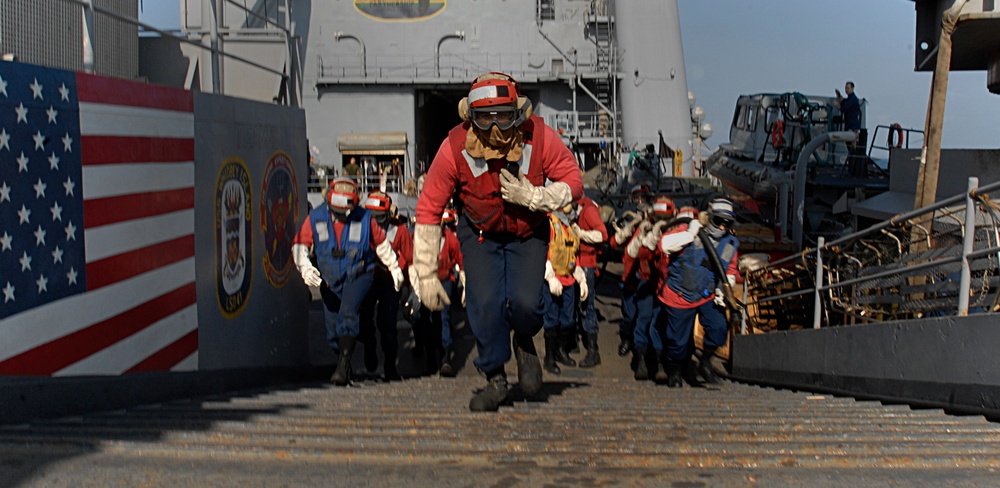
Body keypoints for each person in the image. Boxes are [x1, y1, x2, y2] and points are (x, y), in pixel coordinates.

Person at [413, 71, 583, 412]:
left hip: (527, 232)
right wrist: (426, 273)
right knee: (485, 304)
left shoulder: (541, 139)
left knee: (526, 304)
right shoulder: (454, 148)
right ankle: (495, 378)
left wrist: (535, 197)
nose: (493, 127)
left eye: (503, 116)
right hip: (479, 234)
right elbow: (430, 206)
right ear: (469, 117)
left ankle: (524, 339)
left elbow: (573, 181)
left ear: (518, 113)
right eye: (483, 117)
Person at [291, 177, 405, 386]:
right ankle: (342, 359)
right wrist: (305, 267)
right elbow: (300, 244)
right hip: (329, 278)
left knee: (348, 315)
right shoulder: (316, 217)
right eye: (338, 212)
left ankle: (343, 367)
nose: (343, 216)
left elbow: (380, 244)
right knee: (332, 329)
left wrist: (394, 267)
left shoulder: (365, 218)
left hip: (359, 273)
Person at [656, 198, 740, 388]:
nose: (722, 227)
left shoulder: (730, 244)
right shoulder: (687, 230)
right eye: (718, 221)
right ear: (709, 217)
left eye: (727, 224)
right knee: (677, 341)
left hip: (707, 295)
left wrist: (724, 288)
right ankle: (675, 372)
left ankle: (705, 362)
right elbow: (665, 244)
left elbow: (731, 270)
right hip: (679, 294)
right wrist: (692, 232)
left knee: (719, 328)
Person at [358, 190, 412, 381]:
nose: (376, 222)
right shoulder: (361, 227)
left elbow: (411, 258)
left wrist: (411, 286)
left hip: (390, 282)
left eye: (379, 217)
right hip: (368, 280)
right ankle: (369, 345)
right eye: (372, 217)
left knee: (388, 324)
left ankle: (390, 365)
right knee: (362, 320)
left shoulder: (400, 231)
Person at [627, 194, 675, 381]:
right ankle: (640, 361)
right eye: (659, 219)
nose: (662, 223)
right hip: (648, 282)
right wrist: (648, 234)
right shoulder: (646, 231)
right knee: (644, 319)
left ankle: (662, 363)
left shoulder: (676, 233)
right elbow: (637, 252)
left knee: (661, 323)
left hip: (668, 285)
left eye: (665, 220)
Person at [413, 207, 465, 377]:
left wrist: (465, 279)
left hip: (443, 281)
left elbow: (459, 257)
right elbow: (412, 258)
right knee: (424, 318)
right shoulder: (419, 237)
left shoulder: (448, 237)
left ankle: (445, 358)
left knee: (443, 317)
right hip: (425, 281)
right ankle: (430, 359)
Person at [542, 203, 588, 375]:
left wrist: (581, 278)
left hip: (568, 279)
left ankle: (561, 350)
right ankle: (549, 358)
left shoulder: (571, 228)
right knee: (551, 319)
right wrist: (550, 276)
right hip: (553, 280)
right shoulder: (549, 224)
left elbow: (573, 254)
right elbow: (544, 251)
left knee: (568, 320)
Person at [609, 184, 653, 358]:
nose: (640, 202)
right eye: (637, 199)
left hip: (648, 276)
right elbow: (613, 243)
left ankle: (642, 347)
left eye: (643, 198)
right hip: (630, 275)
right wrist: (626, 230)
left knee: (646, 316)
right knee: (629, 315)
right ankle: (626, 338)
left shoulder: (655, 221)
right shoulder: (630, 220)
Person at [571, 192, 608, 368]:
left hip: (586, 264)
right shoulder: (576, 208)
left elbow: (602, 235)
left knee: (587, 306)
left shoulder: (588, 210)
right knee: (576, 305)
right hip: (575, 262)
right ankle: (575, 343)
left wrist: (581, 234)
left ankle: (593, 351)